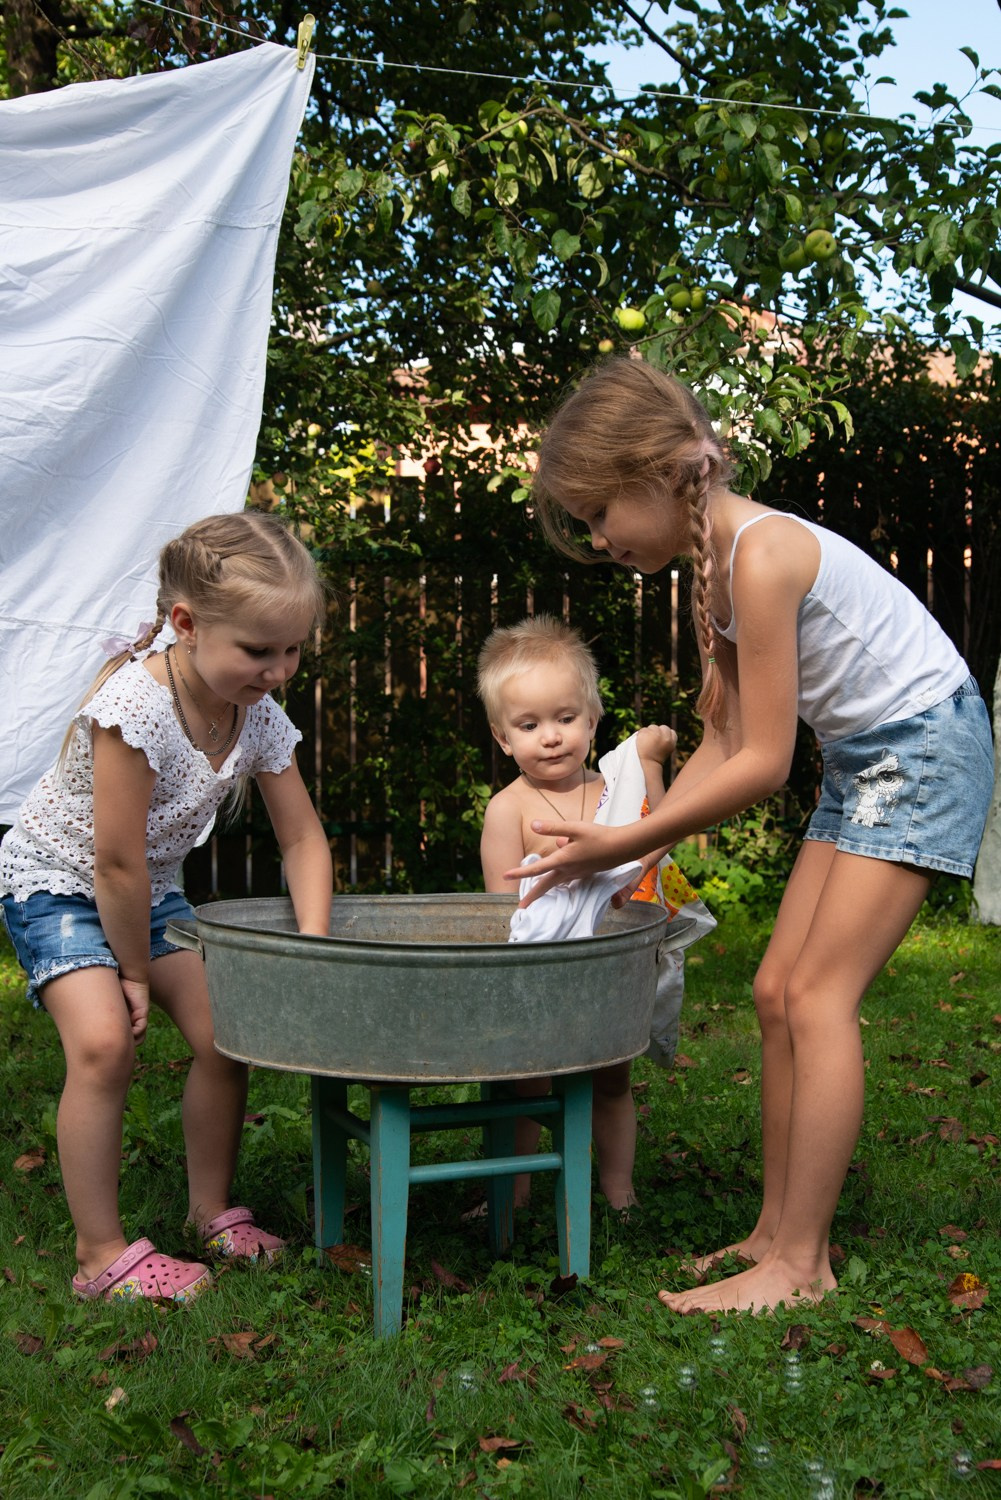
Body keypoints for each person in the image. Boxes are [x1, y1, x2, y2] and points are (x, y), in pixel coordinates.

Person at [507, 357, 994, 1314]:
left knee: (818, 996)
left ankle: (801, 1266)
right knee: (774, 988)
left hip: (925, 749)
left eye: (602, 512)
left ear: (657, 474)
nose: (600, 538)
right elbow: (723, 739)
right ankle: (772, 1233)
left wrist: (609, 846)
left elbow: (765, 764)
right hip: (868, 756)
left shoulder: (762, 555)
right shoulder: (719, 565)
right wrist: (640, 845)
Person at [0, 511, 333, 1304]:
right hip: (61, 883)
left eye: (291, 649)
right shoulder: (136, 708)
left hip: (143, 891)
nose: (279, 669)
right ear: (186, 624)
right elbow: (112, 864)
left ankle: (210, 1210)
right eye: (258, 650)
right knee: (106, 1044)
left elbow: (305, 842)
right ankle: (99, 1255)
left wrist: (314, 944)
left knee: (226, 1039)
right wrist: (135, 975)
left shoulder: (253, 713)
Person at [478, 614, 686, 1213]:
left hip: (613, 962)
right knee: (528, 1081)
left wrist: (649, 765)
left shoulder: (612, 790)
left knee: (611, 1080)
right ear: (503, 738)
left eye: (566, 718)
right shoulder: (508, 809)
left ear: (592, 721)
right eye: (529, 724)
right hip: (542, 968)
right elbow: (501, 903)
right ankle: (515, 1190)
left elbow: (660, 831)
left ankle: (619, 1190)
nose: (551, 736)